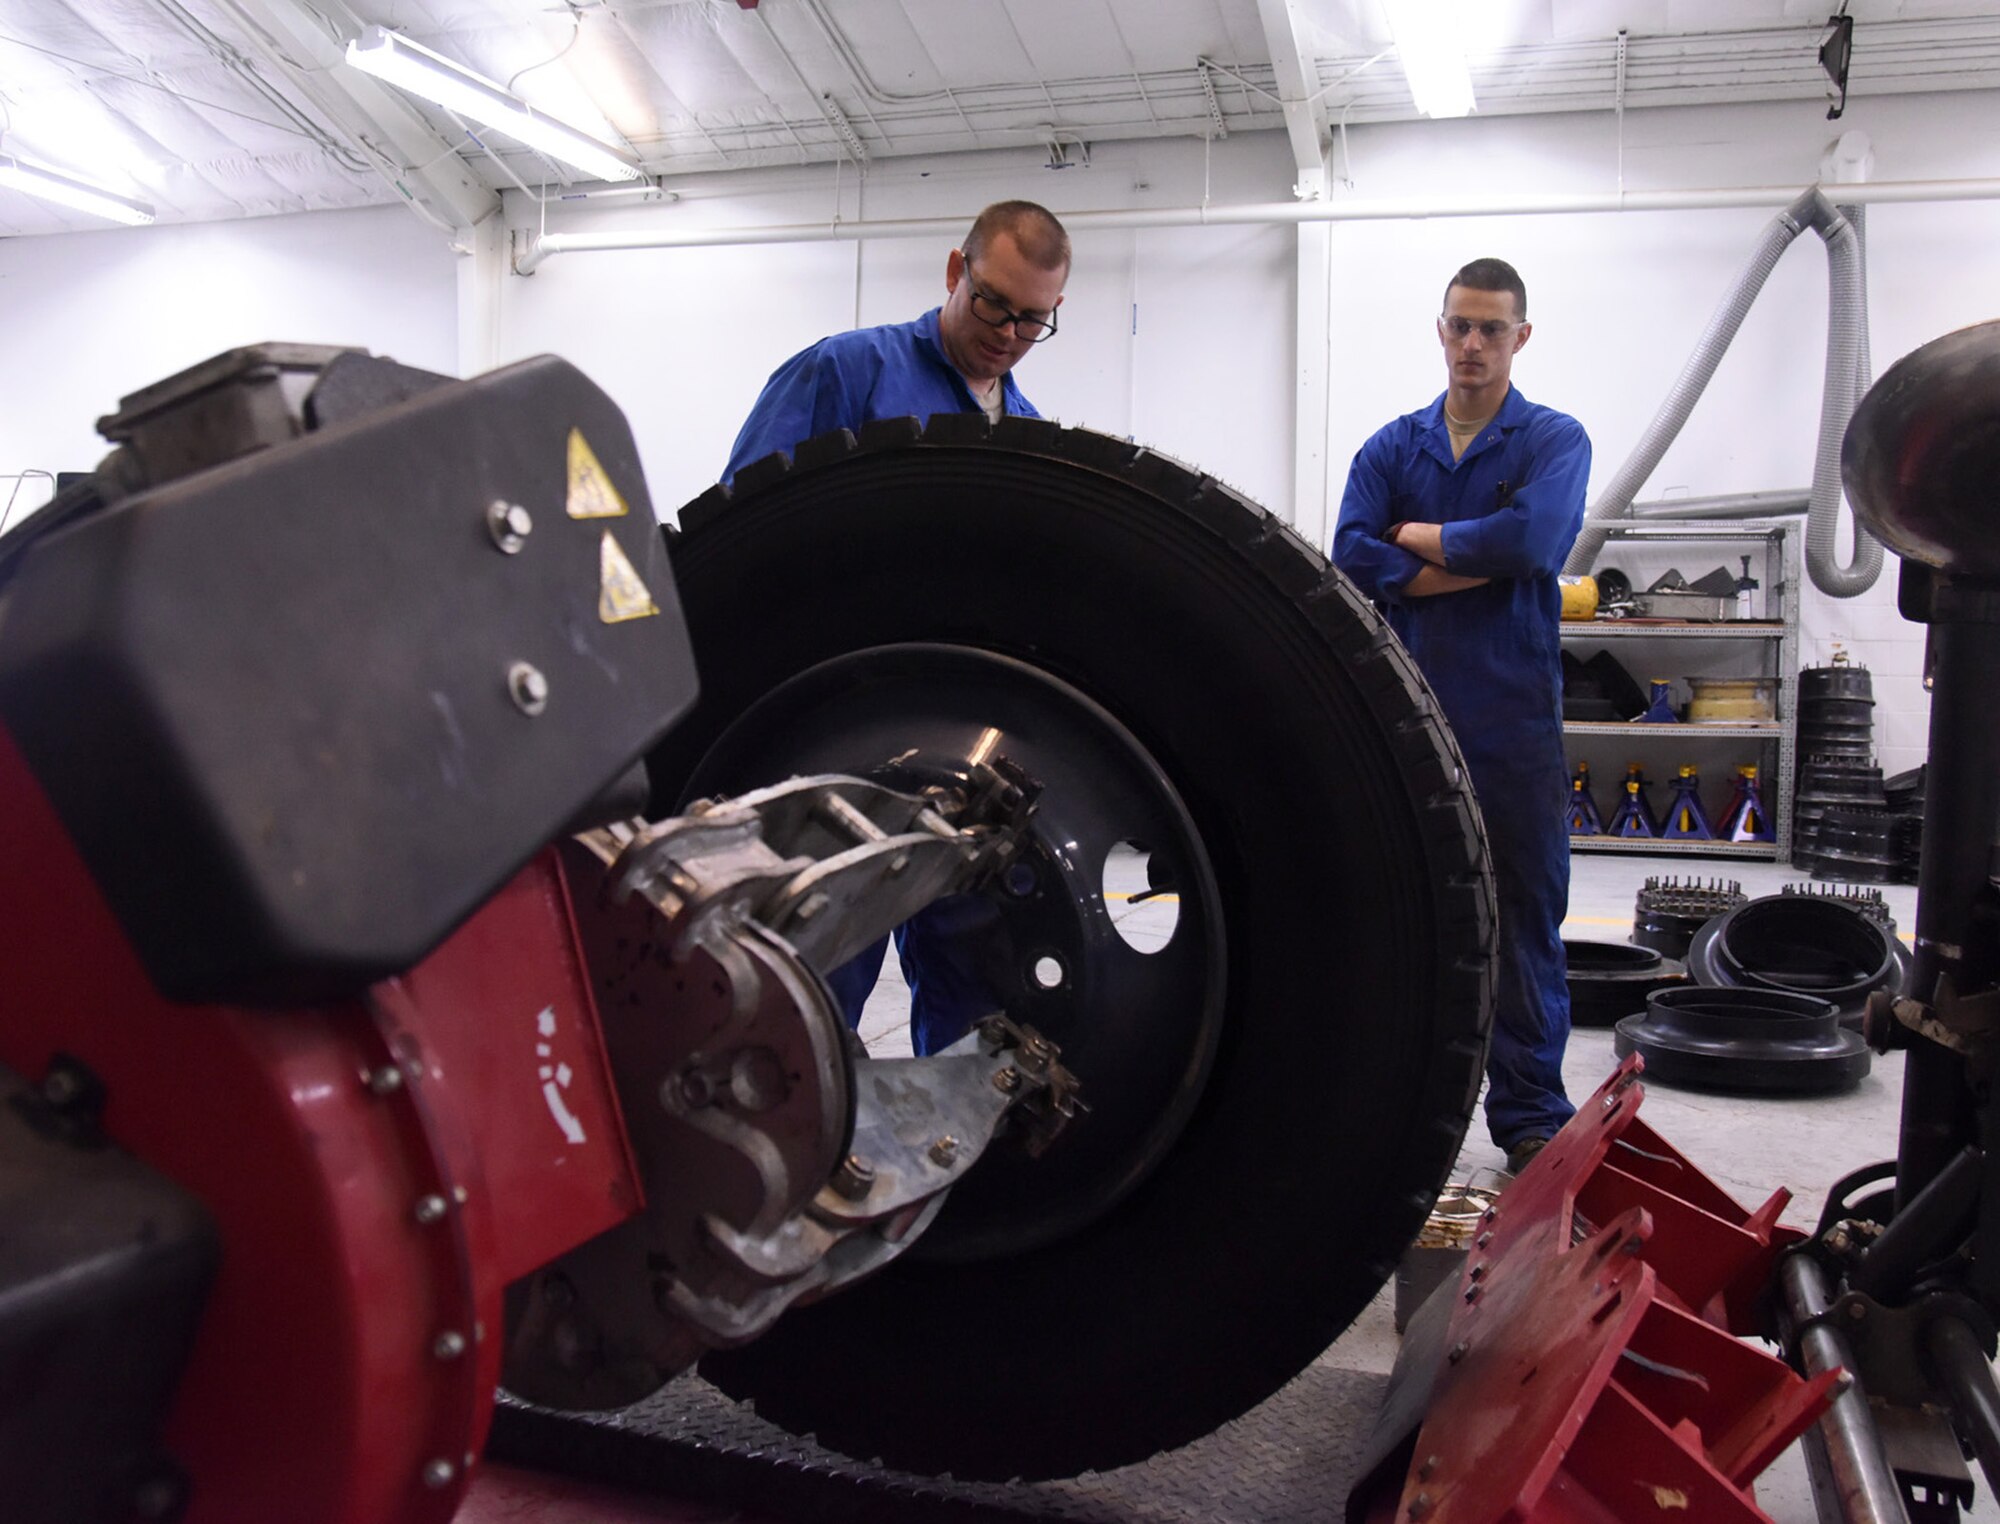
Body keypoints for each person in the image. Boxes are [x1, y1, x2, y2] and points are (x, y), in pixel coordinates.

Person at [722, 200, 1073, 1056]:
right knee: (817, 969)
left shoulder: (1025, 434)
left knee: (973, 978)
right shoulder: (846, 373)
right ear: (955, 272)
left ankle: (953, 1172)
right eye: (994, 303)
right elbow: (743, 532)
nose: (1009, 333)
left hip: (961, 751)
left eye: (1034, 319)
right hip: (842, 729)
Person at [1331, 257, 1591, 1176]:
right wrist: (1472, 559)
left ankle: (1528, 1115)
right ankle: (1397, 1103)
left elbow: (1537, 539)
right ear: (1439, 331)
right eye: (1459, 326)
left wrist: (1419, 538)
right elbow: (1348, 558)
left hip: (1511, 722)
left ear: (1522, 337)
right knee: (1400, 915)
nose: (1473, 344)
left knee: (1523, 919)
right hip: (1403, 719)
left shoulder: (1553, 440)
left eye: (1492, 328)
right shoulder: (1391, 449)